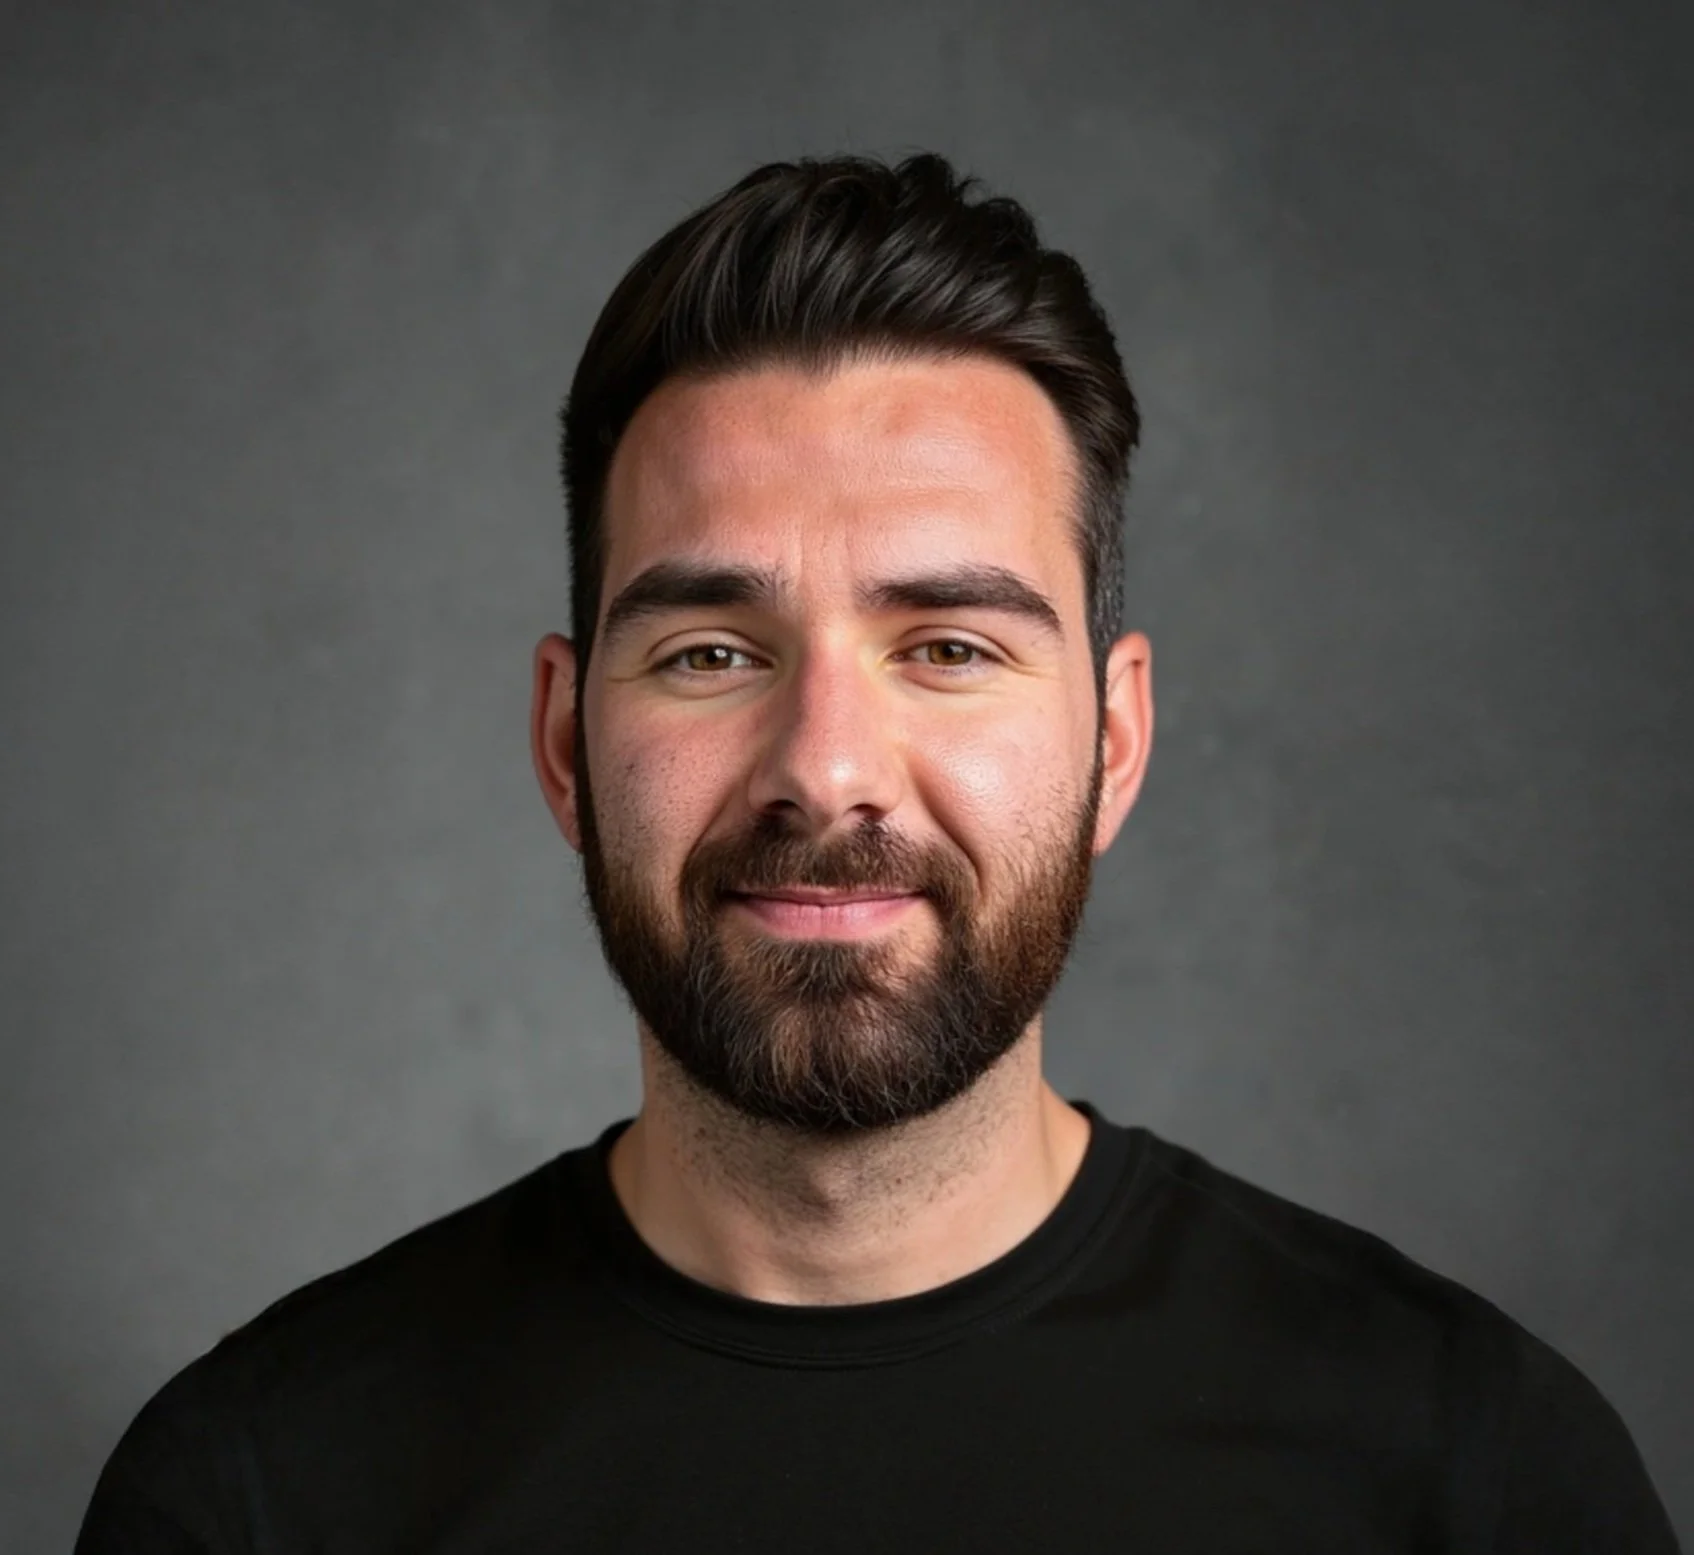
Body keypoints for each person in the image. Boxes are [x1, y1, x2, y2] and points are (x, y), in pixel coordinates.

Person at [77, 151, 1679, 1554]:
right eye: (710, 650)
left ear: (1113, 740)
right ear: (565, 742)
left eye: (949, 647)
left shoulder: (1471, 1475)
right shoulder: (261, 1493)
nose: (825, 767)